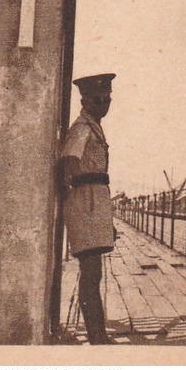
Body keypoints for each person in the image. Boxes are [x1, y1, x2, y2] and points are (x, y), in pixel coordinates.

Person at [60, 73, 116, 345]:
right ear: (85, 100)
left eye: (107, 99)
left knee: (94, 272)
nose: (104, 103)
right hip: (86, 204)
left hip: (95, 204)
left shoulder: (93, 126)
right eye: (98, 99)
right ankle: (97, 336)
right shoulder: (82, 127)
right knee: (91, 272)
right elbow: (69, 162)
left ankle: (99, 333)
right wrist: (74, 201)